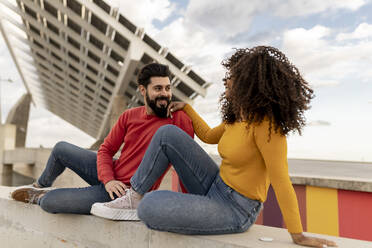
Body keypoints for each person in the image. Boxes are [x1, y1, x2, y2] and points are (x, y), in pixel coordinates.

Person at [90, 46, 336, 247]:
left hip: (236, 208)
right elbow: (207, 136)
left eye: (234, 76)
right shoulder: (238, 118)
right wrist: (187, 107)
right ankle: (134, 196)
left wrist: (298, 234)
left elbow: (281, 181)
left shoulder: (267, 127)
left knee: (151, 207)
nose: (227, 80)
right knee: (167, 133)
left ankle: (141, 201)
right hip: (215, 184)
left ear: (248, 84)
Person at [11, 62, 194, 215]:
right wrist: (108, 179)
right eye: (158, 88)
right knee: (61, 149)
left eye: (168, 88)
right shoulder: (130, 115)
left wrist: (185, 204)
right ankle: (39, 185)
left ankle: (41, 196)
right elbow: (106, 149)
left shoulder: (179, 119)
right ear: (143, 90)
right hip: (113, 173)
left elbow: (186, 165)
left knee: (50, 202)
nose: (165, 94)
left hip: (125, 193)